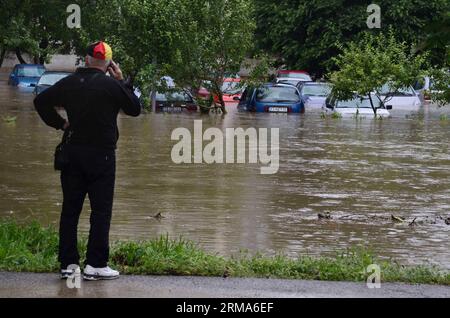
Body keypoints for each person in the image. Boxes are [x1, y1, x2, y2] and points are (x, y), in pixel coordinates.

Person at [34, 41, 141, 280]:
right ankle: (95, 264)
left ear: (87, 59)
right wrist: (122, 80)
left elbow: (40, 102)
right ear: (109, 63)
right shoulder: (111, 85)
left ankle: (68, 264)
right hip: (102, 157)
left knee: (70, 211)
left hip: (72, 154)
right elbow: (134, 109)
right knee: (101, 212)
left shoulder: (69, 83)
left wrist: (60, 123)